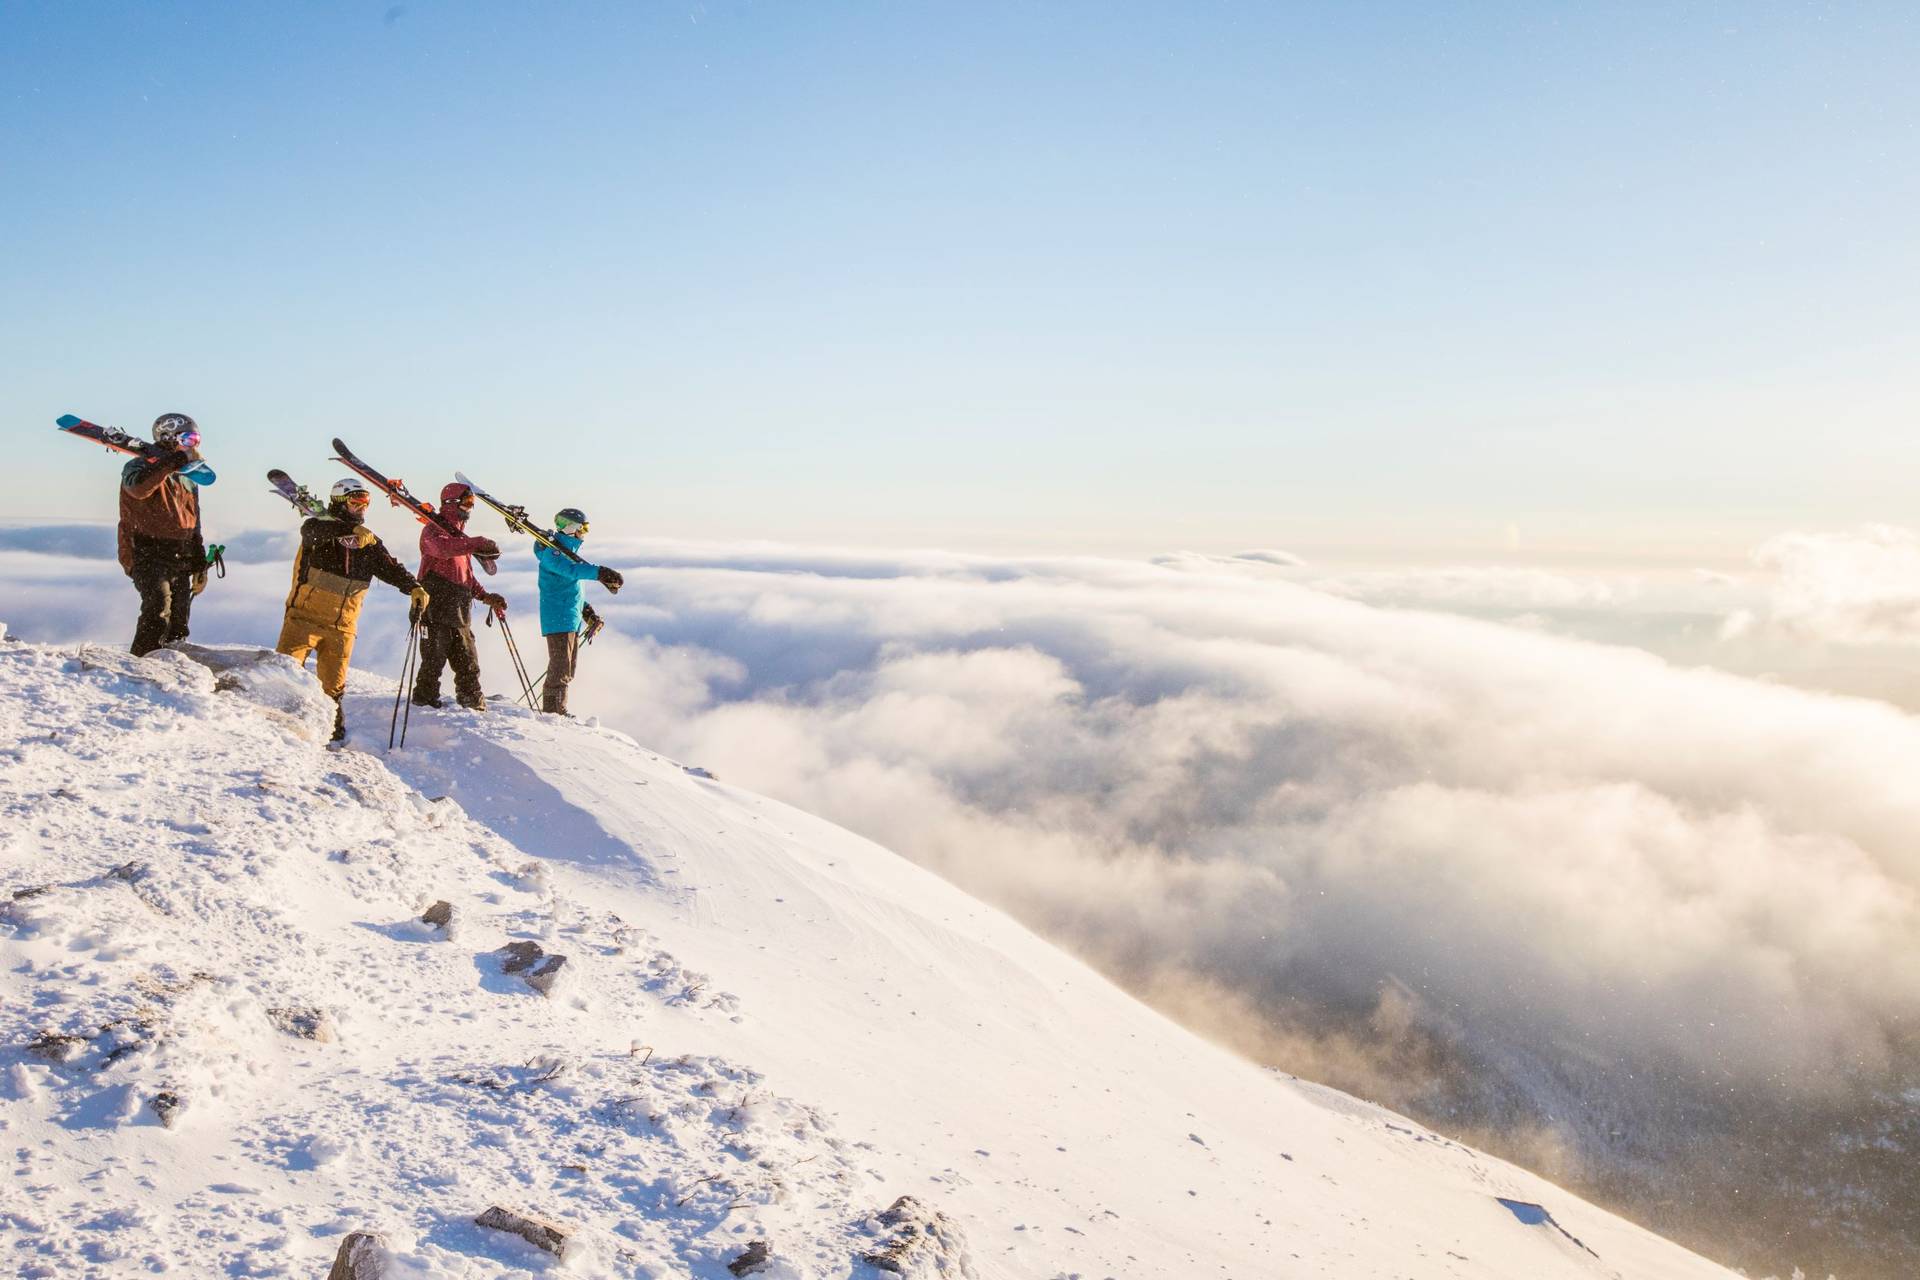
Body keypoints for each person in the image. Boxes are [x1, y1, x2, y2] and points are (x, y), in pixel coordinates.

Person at [276, 477, 430, 743]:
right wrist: (346, 530)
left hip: (343, 625)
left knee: (333, 685)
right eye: (355, 501)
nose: (362, 507)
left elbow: (390, 567)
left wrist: (414, 587)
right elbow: (311, 533)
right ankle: (278, 722)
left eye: (366, 502)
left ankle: (333, 731)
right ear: (339, 503)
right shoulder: (317, 528)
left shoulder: (368, 542)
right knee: (285, 672)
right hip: (303, 617)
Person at [410, 481, 506, 711]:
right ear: (452, 503)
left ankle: (472, 703)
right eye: (467, 502)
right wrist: (477, 543)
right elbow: (443, 549)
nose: (470, 508)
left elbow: (465, 576)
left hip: (459, 611)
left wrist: (485, 596)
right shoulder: (433, 531)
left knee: (468, 663)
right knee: (433, 662)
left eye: (472, 503)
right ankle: (423, 705)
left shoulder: (460, 539)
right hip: (435, 611)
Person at [119, 413, 210, 656]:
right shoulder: (138, 466)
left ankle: (172, 660)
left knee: (179, 616)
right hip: (145, 551)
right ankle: (142, 662)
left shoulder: (187, 477)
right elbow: (138, 489)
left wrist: (199, 560)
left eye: (196, 439)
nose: (194, 445)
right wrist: (175, 460)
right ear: (169, 437)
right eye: (189, 439)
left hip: (179, 553)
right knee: (158, 606)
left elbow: (192, 519)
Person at [535, 507, 622, 715]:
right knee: (560, 667)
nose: (584, 533)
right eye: (583, 528)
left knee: (567, 668)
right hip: (558, 619)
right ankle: (553, 711)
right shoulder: (554, 554)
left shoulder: (566, 554)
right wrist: (600, 572)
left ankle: (557, 709)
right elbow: (571, 571)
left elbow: (571, 591)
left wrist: (588, 613)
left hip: (569, 618)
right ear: (572, 528)